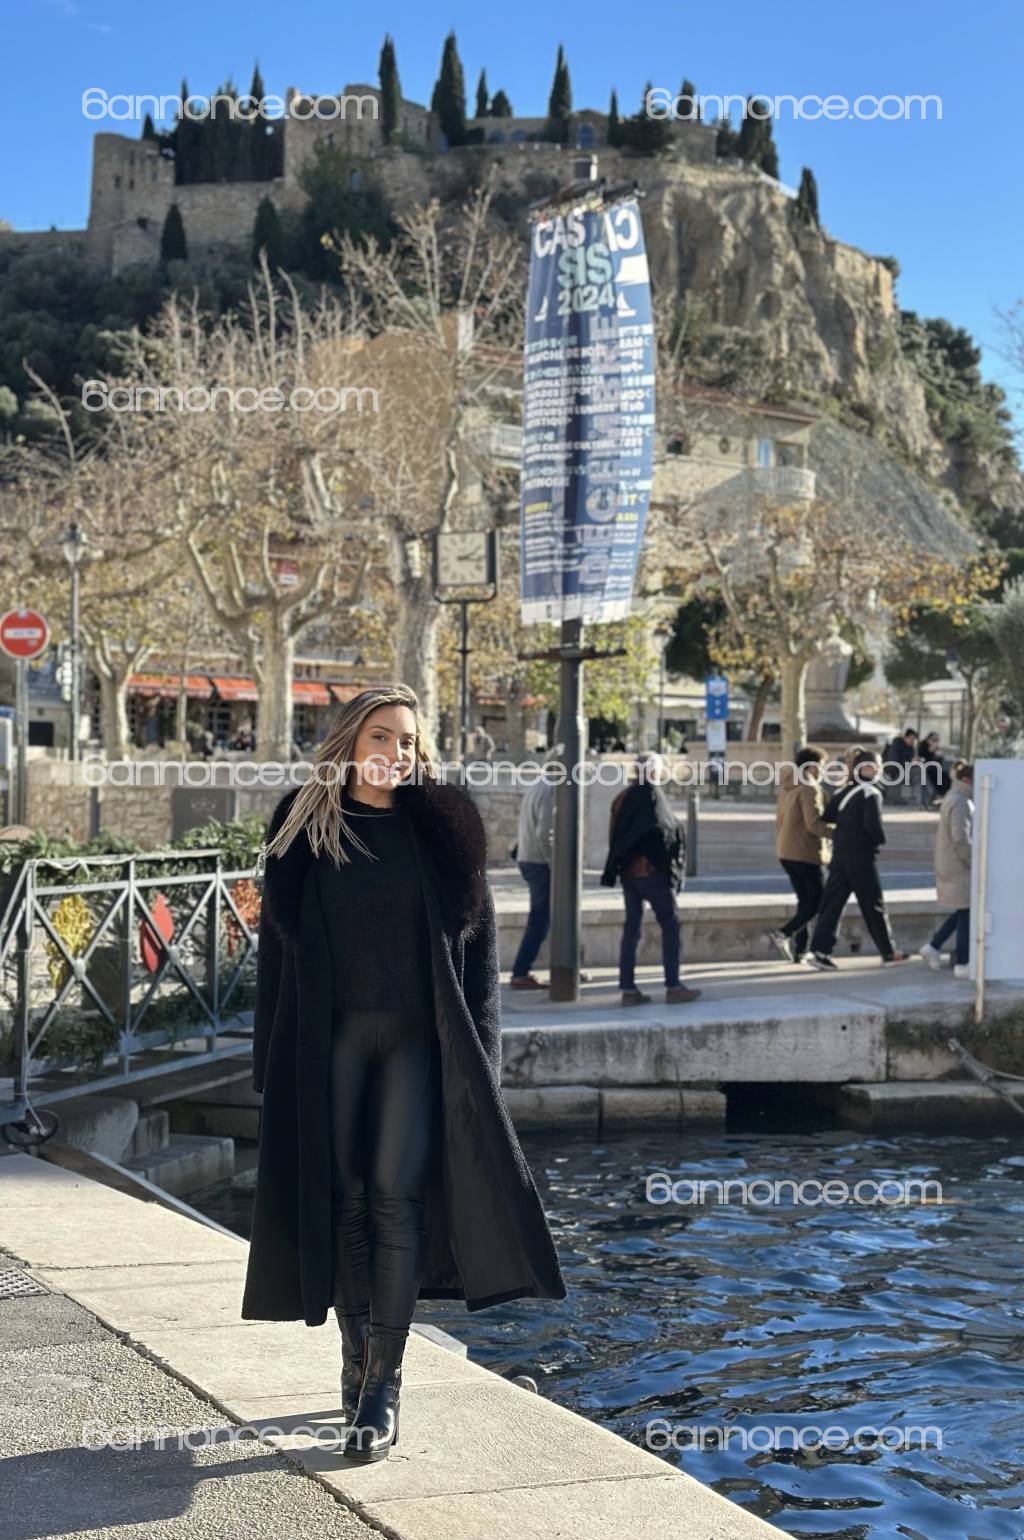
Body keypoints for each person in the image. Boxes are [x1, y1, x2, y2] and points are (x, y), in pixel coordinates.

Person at [241, 685, 566, 1463]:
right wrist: (266, 1067)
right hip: (329, 1047)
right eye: (382, 736)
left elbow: (479, 962)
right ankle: (356, 1354)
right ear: (351, 742)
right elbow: (277, 957)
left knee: (395, 1197)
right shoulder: (301, 829)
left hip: (418, 1048)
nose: (396, 752)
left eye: (409, 740)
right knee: (345, 1200)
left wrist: (484, 1068)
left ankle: (383, 1386)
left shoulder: (444, 829)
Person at [601, 753, 701, 1006]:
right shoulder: (653, 796)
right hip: (652, 873)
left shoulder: (622, 798)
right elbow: (662, 830)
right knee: (671, 925)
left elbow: (616, 834)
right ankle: (673, 986)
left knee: (631, 929)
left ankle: (628, 989)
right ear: (655, 772)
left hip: (628, 873)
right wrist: (669, 869)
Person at [804, 748, 909, 970]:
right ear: (867, 768)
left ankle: (820, 951)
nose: (880, 770)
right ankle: (888, 952)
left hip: (840, 854)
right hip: (861, 856)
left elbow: (828, 815)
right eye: (877, 766)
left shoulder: (845, 791)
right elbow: (873, 826)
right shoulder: (871, 792)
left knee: (832, 904)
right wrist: (879, 840)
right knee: (874, 905)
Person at [767, 746, 833, 963]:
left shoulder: (788, 786)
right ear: (811, 766)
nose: (823, 771)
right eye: (821, 766)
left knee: (805, 901)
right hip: (806, 852)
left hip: (786, 851)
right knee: (820, 902)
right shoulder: (809, 788)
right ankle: (783, 933)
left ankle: (800, 950)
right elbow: (813, 825)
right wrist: (839, 832)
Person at [920, 762, 974, 978]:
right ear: (968, 780)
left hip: (952, 864)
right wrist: (974, 862)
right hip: (959, 866)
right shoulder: (961, 802)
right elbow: (961, 839)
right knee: (967, 911)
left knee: (964, 910)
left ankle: (933, 947)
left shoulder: (955, 797)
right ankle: (963, 962)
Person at [508, 758, 557, 989]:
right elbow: (545, 833)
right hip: (540, 862)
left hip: (528, 858)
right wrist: (554, 863)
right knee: (540, 920)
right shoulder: (550, 791)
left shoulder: (537, 785)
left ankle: (567, 966)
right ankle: (521, 972)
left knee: (549, 917)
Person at [881, 727, 918, 804]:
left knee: (920, 774)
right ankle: (929, 797)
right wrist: (911, 761)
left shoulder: (910, 748)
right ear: (905, 737)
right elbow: (895, 764)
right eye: (911, 739)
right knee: (920, 773)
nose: (912, 741)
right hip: (895, 772)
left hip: (906, 771)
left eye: (914, 740)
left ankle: (922, 801)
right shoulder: (896, 747)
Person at [916, 732, 947, 808]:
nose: (935, 742)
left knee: (943, 777)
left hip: (934, 769)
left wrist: (938, 756)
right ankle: (935, 795)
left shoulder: (936, 749)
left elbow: (939, 763)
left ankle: (939, 796)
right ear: (928, 740)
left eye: (937, 740)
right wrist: (931, 753)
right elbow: (923, 759)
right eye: (933, 740)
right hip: (925, 768)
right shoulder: (923, 746)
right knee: (933, 777)